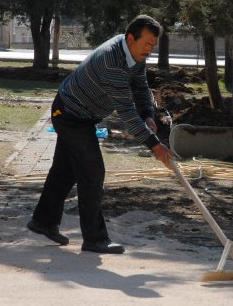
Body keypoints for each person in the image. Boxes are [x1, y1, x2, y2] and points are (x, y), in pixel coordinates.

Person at [27, 15, 175, 254]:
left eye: (152, 45)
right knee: (93, 173)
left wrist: (148, 114)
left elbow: (140, 86)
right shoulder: (112, 62)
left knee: (65, 171)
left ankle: (43, 221)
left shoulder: (134, 54)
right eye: (146, 44)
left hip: (80, 114)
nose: (149, 50)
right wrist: (155, 146)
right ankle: (95, 239)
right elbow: (126, 112)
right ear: (130, 38)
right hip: (69, 114)